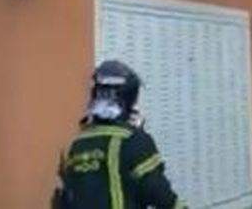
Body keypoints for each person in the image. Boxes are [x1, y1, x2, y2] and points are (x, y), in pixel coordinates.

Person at [53, 60, 185, 209]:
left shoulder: (76, 144)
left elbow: (64, 201)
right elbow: (160, 195)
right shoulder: (132, 140)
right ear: (129, 98)